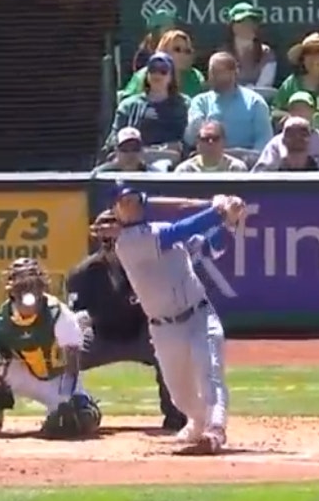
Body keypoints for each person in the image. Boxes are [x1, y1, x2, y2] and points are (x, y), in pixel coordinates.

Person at [89, 183, 249, 453]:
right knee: (180, 396)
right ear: (115, 210)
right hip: (164, 329)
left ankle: (215, 429)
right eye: (123, 204)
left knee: (209, 373)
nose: (130, 207)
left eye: (134, 201)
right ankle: (199, 422)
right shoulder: (128, 244)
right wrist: (219, 210)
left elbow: (212, 248)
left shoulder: (160, 231)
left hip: (199, 315)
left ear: (143, 203)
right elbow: (183, 229)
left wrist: (229, 224)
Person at [0, 258, 102, 438]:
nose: (28, 293)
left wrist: (65, 399)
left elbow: (72, 365)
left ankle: (83, 405)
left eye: (33, 287)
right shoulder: (2, 319)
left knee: (80, 420)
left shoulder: (58, 314)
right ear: (11, 290)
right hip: (26, 376)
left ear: (42, 288)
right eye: (21, 287)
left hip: (58, 380)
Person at [67, 229, 187, 431]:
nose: (114, 245)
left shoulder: (150, 269)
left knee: (171, 344)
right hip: (101, 335)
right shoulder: (83, 273)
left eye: (117, 238)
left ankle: (177, 413)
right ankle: (69, 411)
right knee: (64, 352)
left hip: (142, 333)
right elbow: (74, 317)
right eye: (108, 240)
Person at [186, 52, 273, 158]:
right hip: (207, 161)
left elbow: (263, 141)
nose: (213, 77)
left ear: (234, 73)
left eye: (219, 72)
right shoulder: (200, 102)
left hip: (245, 164)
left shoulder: (255, 103)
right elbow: (190, 138)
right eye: (211, 72)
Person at [106, 52, 188, 162]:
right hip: (134, 161)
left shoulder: (185, 104)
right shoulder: (129, 105)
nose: (157, 74)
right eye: (153, 69)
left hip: (172, 163)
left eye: (163, 70)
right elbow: (113, 139)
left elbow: (189, 141)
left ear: (171, 76)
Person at [120, 30, 206, 102]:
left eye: (187, 51)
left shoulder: (196, 76)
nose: (182, 54)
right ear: (164, 50)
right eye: (177, 49)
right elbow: (126, 103)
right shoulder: (145, 74)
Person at [220, 2, 276, 90]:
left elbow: (264, 87)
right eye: (243, 22)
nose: (249, 26)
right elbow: (223, 85)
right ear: (233, 26)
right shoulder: (222, 55)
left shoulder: (266, 53)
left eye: (252, 22)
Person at [175, 120, 249, 173]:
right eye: (205, 139)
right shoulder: (185, 170)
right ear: (197, 142)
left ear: (224, 141)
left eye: (215, 138)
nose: (210, 143)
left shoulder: (236, 168)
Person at [132, 8, 176, 74]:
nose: (171, 32)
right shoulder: (143, 56)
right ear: (156, 30)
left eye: (172, 28)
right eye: (168, 29)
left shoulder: (178, 48)